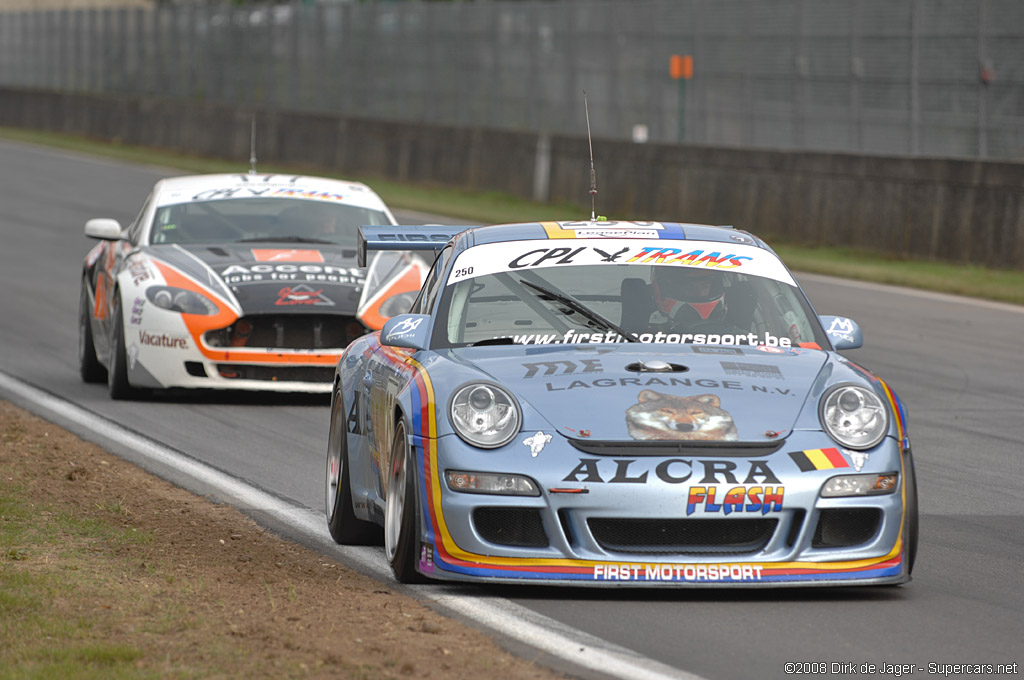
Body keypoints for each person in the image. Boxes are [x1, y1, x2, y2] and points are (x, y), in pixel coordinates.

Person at [648, 266, 744, 333]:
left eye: (704, 286)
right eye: (690, 287)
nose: (699, 293)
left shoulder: (740, 337)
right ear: (674, 289)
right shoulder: (648, 336)